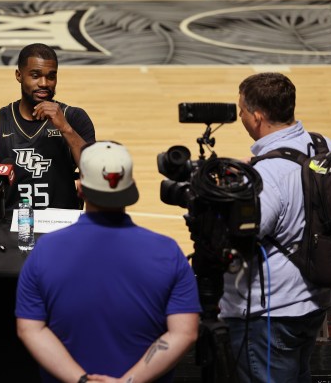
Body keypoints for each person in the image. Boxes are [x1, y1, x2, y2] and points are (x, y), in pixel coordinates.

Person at [15, 141, 201, 383]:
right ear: (132, 187)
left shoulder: (45, 250)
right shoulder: (168, 252)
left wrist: (82, 380)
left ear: (80, 188)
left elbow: (31, 329)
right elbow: (184, 333)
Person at [219, 72, 331, 382]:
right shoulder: (324, 146)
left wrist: (225, 199)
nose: (240, 115)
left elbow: (245, 233)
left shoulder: (266, 175)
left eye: (242, 110)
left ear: (257, 117)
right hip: (316, 297)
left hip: (272, 312)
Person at [0, 43, 95, 215]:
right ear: (19, 75)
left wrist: (66, 128)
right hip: (6, 227)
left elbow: (95, 175)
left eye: (51, 76)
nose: (44, 83)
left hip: (61, 228)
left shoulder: (75, 118)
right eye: (35, 75)